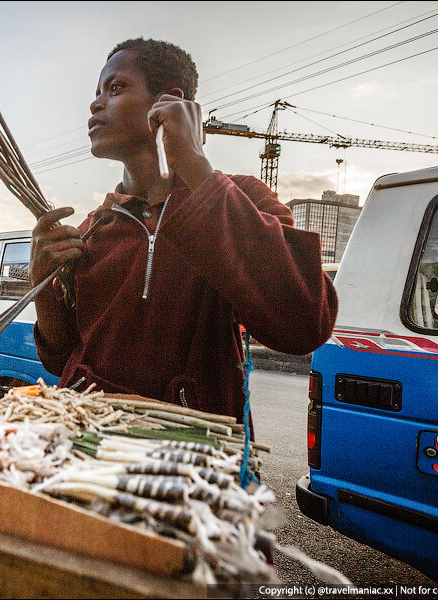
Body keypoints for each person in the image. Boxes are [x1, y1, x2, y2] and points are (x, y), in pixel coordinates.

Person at [30, 39, 338, 426]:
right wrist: (39, 282)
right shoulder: (93, 229)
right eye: (97, 93)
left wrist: (194, 165)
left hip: (195, 460)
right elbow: (60, 358)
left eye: (116, 88)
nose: (95, 104)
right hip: (88, 451)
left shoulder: (237, 200)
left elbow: (304, 325)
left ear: (169, 102)